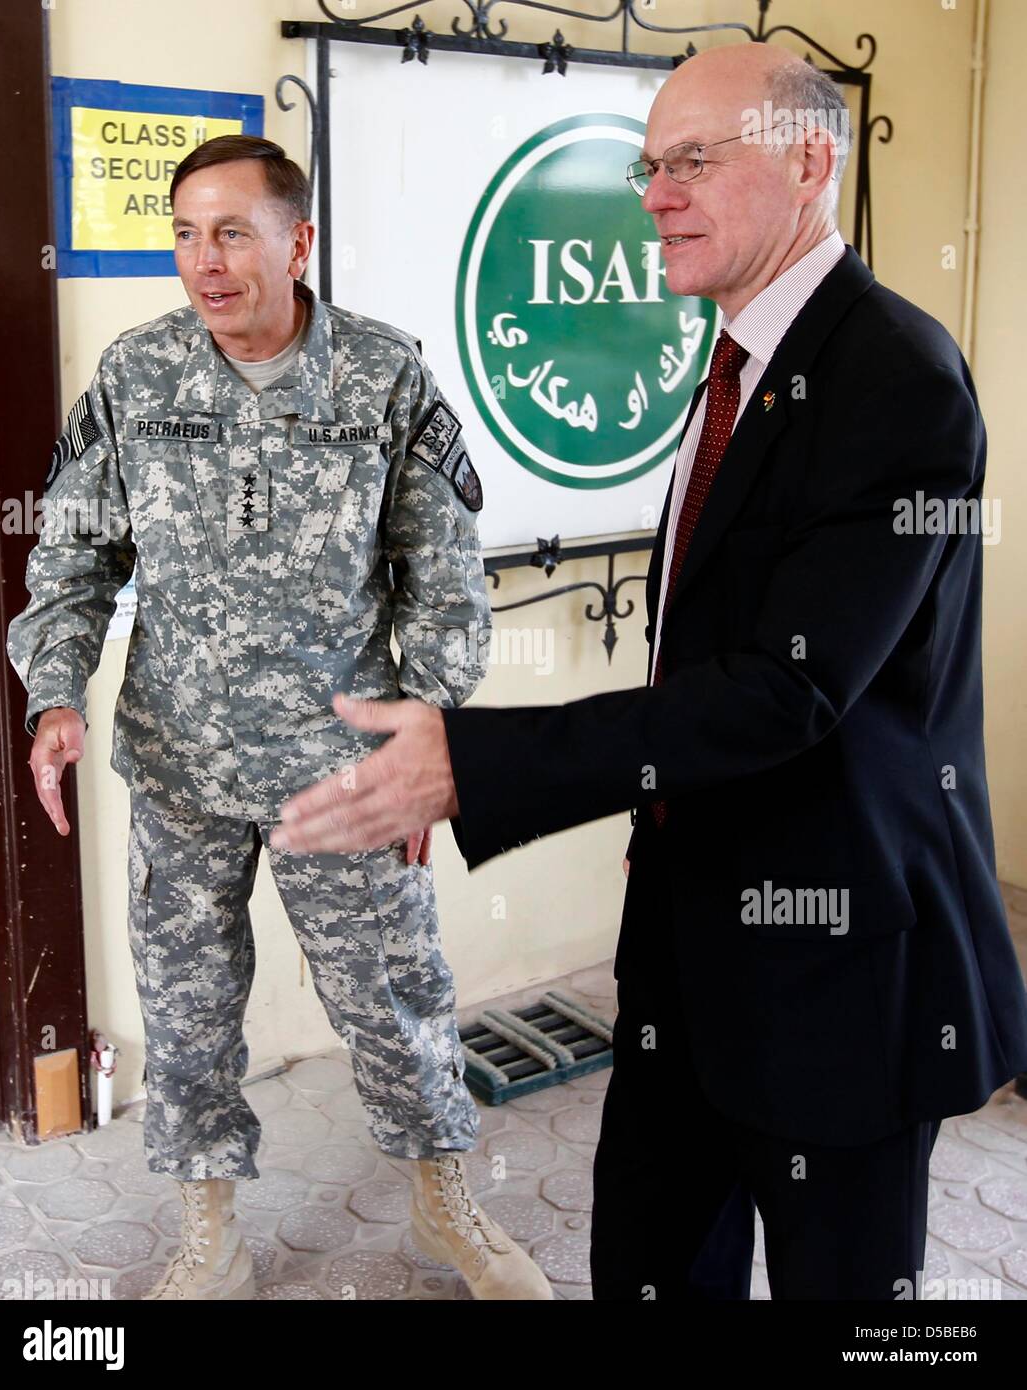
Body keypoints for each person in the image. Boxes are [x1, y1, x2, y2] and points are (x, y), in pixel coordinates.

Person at [270, 48, 1027, 1301]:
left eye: (692, 161)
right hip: (688, 936)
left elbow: (790, 687)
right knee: (649, 1262)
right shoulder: (730, 356)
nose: (655, 194)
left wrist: (477, 762)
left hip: (841, 965)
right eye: (647, 165)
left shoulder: (896, 376)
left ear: (807, 161)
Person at [7, 134, 552, 1301]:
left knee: (396, 1001)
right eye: (186, 233)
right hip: (180, 759)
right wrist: (55, 690)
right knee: (189, 1010)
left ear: (296, 242)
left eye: (233, 232)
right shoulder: (136, 375)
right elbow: (73, 556)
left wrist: (430, 734)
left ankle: (448, 1204)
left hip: (342, 769)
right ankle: (213, 1231)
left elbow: (445, 581)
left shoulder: (384, 376)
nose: (206, 262)